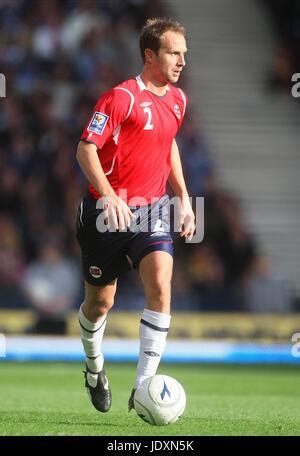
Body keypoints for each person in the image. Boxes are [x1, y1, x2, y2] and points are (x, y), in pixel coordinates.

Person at [75, 17, 195, 414]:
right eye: (173, 53)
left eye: (183, 54)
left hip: (152, 210)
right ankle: (94, 369)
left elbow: (168, 145)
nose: (181, 61)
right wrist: (109, 196)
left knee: (161, 282)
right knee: (100, 305)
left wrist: (184, 197)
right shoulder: (121, 97)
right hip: (106, 214)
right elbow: (85, 149)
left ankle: (144, 386)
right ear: (149, 54)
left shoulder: (177, 99)